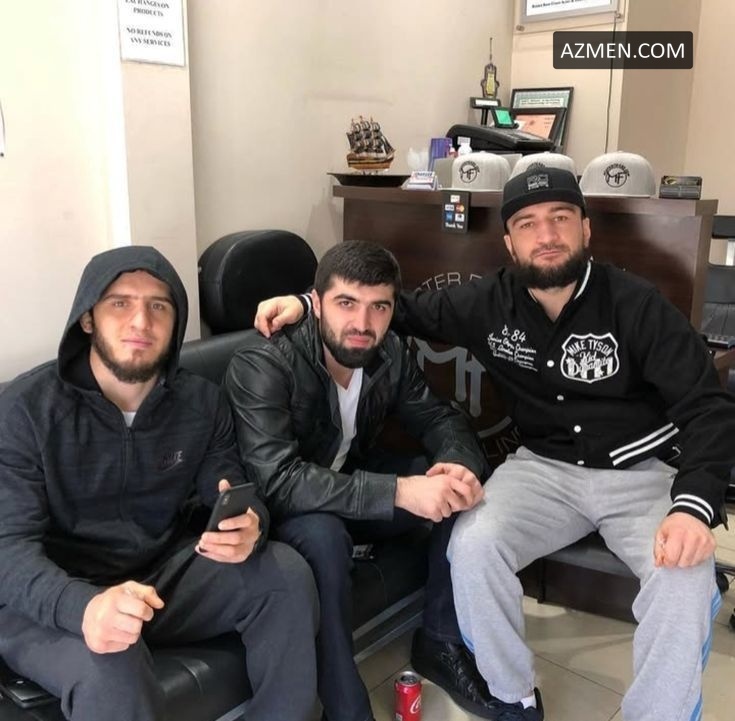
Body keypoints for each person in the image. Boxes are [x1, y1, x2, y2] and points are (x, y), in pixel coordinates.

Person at [253, 168, 735, 721]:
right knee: (472, 543)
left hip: (639, 472)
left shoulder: (637, 305)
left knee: (684, 577)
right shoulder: (488, 301)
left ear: (585, 230)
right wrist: (306, 301)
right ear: (509, 242)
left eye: (560, 219)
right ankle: (512, 695)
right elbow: (391, 308)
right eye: (527, 224)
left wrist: (693, 508)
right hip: (544, 469)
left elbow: (708, 407)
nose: (545, 235)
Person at [0, 246, 318, 721]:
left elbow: (229, 489)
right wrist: (83, 607)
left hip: (156, 579)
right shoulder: (26, 410)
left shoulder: (201, 403)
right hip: (55, 597)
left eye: (158, 306)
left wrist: (249, 525)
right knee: (111, 662)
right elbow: (8, 550)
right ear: (87, 318)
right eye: (120, 303)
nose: (141, 322)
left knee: (284, 574)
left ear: (176, 323)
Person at [226, 240, 494, 721]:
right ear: (316, 302)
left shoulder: (388, 352)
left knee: (453, 489)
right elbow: (277, 481)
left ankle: (440, 640)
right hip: (282, 512)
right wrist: (399, 492)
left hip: (348, 487)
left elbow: (438, 417)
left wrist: (456, 464)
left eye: (379, 307)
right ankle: (345, 705)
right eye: (346, 303)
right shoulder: (264, 362)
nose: (362, 323)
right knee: (324, 534)